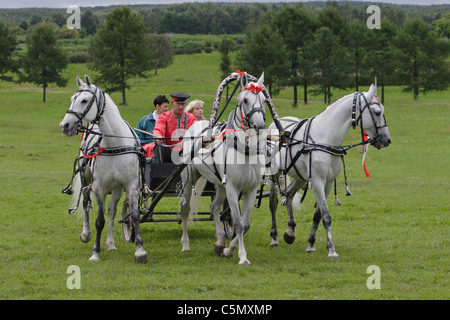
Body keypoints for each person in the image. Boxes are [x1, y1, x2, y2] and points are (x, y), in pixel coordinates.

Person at [152, 92, 197, 163]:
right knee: (158, 147)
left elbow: (196, 130)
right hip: (168, 151)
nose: (180, 107)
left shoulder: (191, 117)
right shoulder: (164, 116)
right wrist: (158, 135)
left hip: (186, 151)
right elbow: (159, 128)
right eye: (178, 104)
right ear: (172, 103)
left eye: (182, 104)